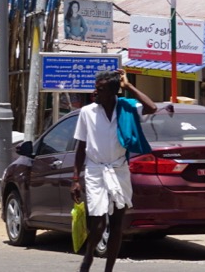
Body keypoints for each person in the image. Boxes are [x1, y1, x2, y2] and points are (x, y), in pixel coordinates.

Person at [71, 70, 159, 272]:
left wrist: (128, 86)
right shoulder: (87, 112)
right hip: (95, 171)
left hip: (119, 170)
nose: (95, 92)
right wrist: (75, 179)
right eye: (96, 88)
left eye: (100, 89)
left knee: (117, 223)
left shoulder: (126, 108)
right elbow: (80, 148)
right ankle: (88, 256)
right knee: (98, 224)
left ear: (112, 92)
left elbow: (152, 107)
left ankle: (108, 269)